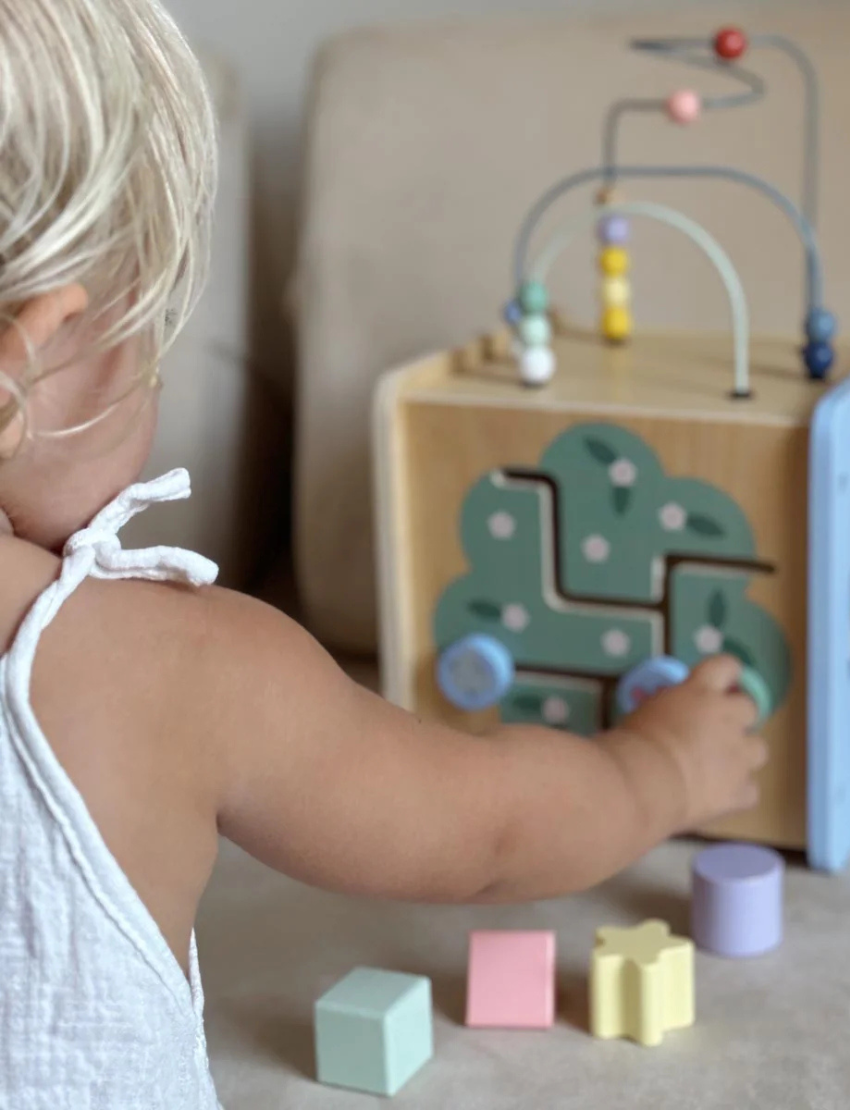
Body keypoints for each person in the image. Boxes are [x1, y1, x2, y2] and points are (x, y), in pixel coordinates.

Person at [0, 2, 767, 1106]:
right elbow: (489, 830)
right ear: (27, 366)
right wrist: (661, 767)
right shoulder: (158, 665)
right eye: (150, 339)